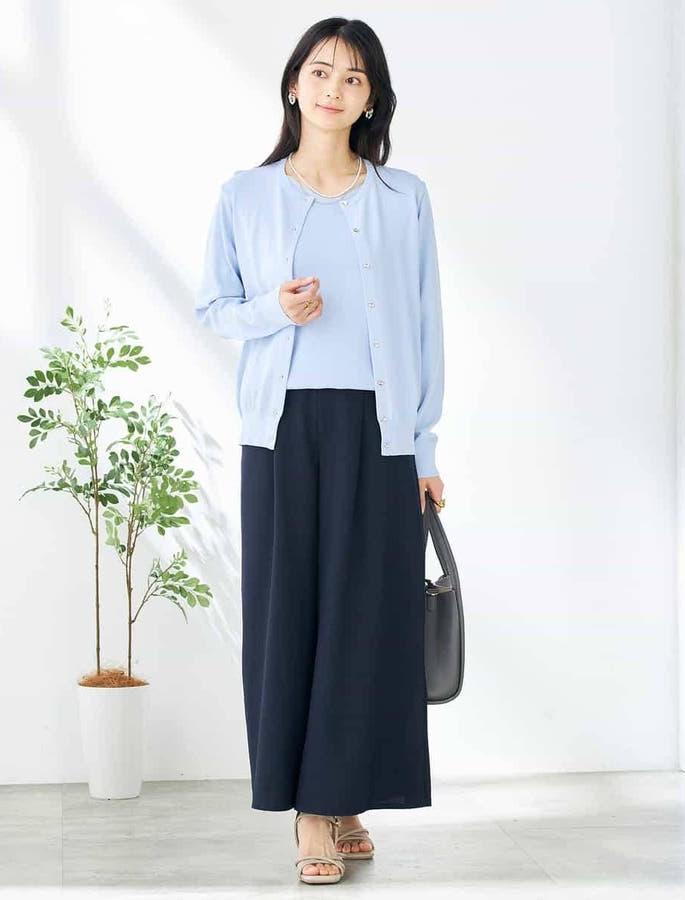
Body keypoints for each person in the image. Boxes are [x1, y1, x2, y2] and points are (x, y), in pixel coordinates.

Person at [195, 17, 446, 886]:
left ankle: (343, 797)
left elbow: (424, 324)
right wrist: (276, 309)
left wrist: (423, 446)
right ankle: (309, 815)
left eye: (353, 77)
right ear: (293, 84)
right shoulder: (246, 195)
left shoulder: (403, 197)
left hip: (381, 431)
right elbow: (214, 308)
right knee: (290, 614)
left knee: (367, 618)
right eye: (320, 71)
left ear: (371, 98)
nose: (334, 88)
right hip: (283, 430)